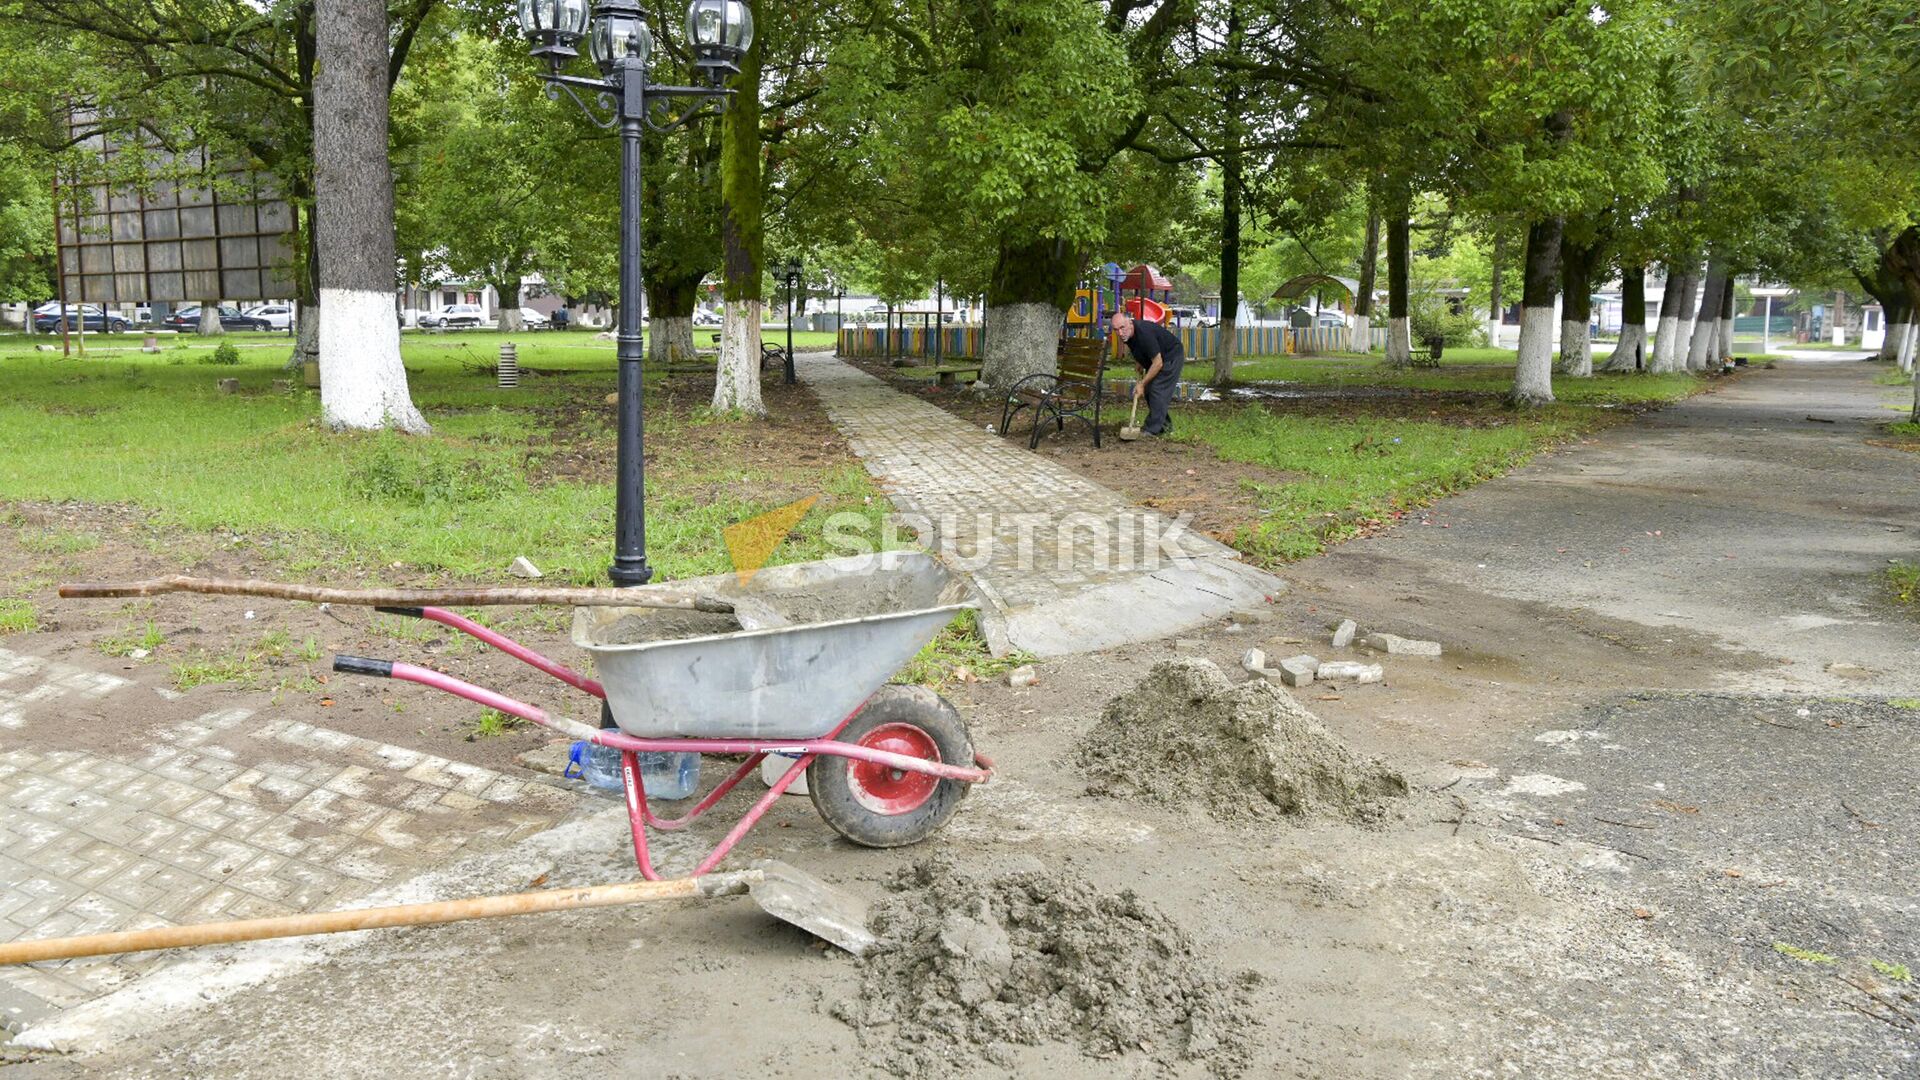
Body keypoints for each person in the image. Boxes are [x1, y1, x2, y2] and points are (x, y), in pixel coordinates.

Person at [1111, 309, 1184, 437]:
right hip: (1158, 358)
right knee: (1151, 391)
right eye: (1116, 329)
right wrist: (1140, 361)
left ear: (1130, 322)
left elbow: (1158, 363)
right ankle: (1164, 426)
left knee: (1157, 389)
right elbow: (1138, 347)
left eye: (1122, 327)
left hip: (1171, 356)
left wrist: (1142, 384)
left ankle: (1151, 429)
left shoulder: (1144, 333)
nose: (1120, 332)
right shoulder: (1127, 334)